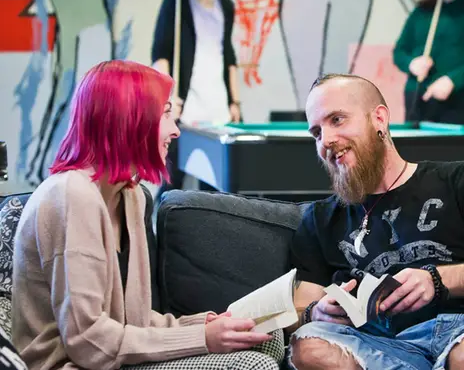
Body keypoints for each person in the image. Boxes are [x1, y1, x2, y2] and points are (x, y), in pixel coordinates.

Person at [11, 60, 283, 369]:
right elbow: (88, 340)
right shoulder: (72, 194)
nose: (175, 130)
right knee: (252, 364)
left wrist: (203, 325)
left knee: (267, 337)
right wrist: (203, 338)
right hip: (71, 364)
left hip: (109, 357)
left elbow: (132, 322)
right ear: (129, 119)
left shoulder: (130, 195)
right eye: (166, 113)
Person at [286, 74, 464, 370]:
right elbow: (301, 305)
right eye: (316, 132)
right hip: (387, 346)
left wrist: (436, 280)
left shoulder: (460, 179)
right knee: (308, 348)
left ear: (379, 119)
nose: (327, 140)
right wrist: (315, 312)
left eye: (337, 120)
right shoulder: (320, 219)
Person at [151, 0, 241, 197]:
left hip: (218, 103)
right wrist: (167, 97)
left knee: (215, 182)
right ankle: (158, 221)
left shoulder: (225, 5)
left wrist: (235, 101)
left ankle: (208, 223)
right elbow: (161, 52)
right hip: (185, 103)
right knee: (172, 179)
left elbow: (229, 55)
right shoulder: (176, 0)